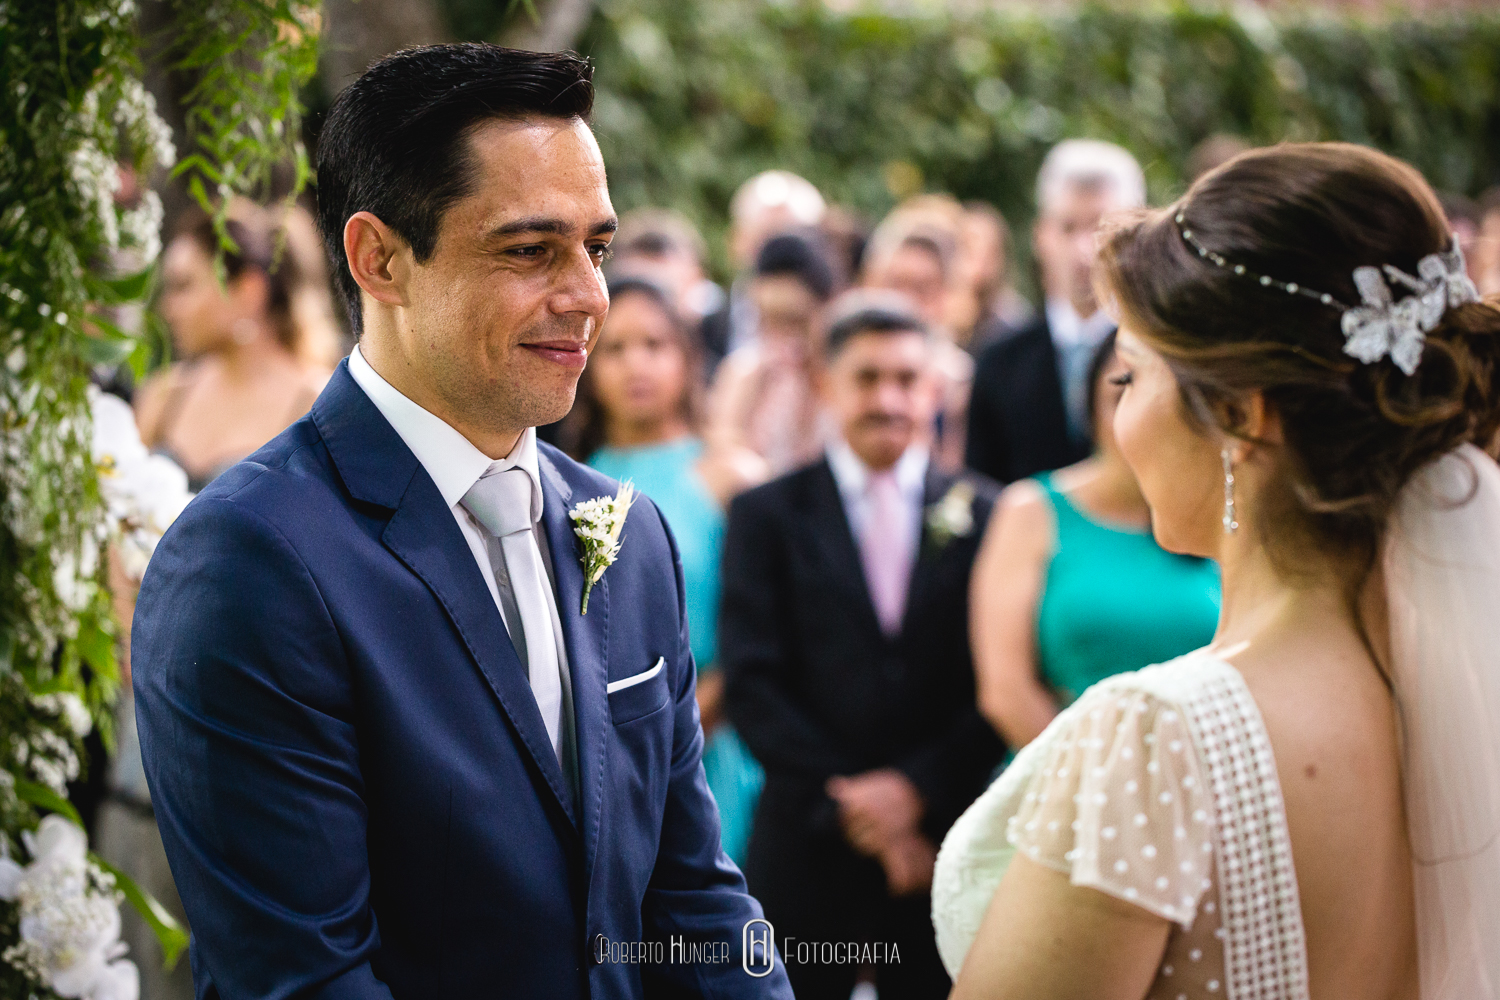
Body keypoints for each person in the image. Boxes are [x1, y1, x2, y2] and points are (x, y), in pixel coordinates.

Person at [133, 44, 793, 999]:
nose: (590, 297)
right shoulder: (249, 558)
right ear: (381, 259)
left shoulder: (628, 531)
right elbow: (303, 978)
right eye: (530, 250)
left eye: (596, 248)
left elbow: (693, 900)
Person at [933, 142, 1500, 1000]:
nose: (1120, 413)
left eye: (1131, 374)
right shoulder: (1460, 698)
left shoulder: (1158, 736)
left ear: (1240, 413)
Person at [723, 292, 1004, 1000]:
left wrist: (915, 791)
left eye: (907, 380)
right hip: (806, 847)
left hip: (941, 850)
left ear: (934, 388)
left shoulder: (988, 513)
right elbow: (754, 683)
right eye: (867, 378)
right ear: (826, 384)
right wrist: (864, 812)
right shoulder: (766, 516)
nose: (888, 400)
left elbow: (995, 681)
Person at [567, 275, 766, 865]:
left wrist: (675, 726)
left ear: (686, 355)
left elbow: (759, 634)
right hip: (600, 758)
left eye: (654, 344)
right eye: (616, 348)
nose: (637, 365)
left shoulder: (732, 478)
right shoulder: (563, 480)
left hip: (718, 742)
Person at [968, 331, 1220, 750]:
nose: (1135, 418)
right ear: (1087, 401)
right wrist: (1102, 788)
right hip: (1064, 780)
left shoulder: (1218, 511)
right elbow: (1005, 691)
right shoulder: (1031, 511)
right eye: (1120, 391)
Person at [964, 138, 1146, 486]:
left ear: (1134, 232)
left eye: (1100, 227)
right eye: (1067, 227)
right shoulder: (999, 361)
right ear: (1040, 235)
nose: (1083, 250)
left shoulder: (1163, 357)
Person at [136, 206, 330, 492]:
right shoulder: (164, 395)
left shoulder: (314, 408)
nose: (168, 309)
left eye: (184, 286)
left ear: (248, 292)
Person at [707, 230, 837, 475]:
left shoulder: (842, 376)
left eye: (795, 321)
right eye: (768, 321)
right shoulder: (743, 372)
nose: (782, 337)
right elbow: (722, 450)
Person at [701, 170, 827, 362]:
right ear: (736, 240)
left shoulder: (837, 333)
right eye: (764, 236)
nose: (774, 254)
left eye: (789, 244)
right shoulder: (704, 327)